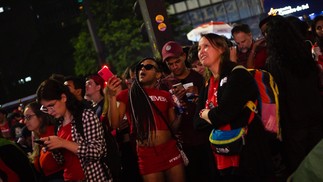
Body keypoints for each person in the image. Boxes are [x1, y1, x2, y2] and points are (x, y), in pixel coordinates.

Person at [196, 33, 275, 181]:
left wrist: (205, 113)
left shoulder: (237, 74)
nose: (201, 51)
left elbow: (222, 115)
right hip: (222, 153)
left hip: (249, 150)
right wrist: (214, 116)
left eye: (206, 46)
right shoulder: (208, 84)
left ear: (221, 49)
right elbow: (197, 123)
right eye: (199, 48)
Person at [107, 57, 185, 182]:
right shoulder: (128, 94)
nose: (142, 69)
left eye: (148, 67)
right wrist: (111, 97)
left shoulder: (166, 95)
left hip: (169, 150)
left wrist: (180, 112)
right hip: (147, 155)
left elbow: (173, 127)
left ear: (158, 74)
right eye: (140, 67)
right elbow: (114, 123)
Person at [265, 15, 323, 178]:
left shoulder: (273, 62)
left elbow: (276, 97)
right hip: (315, 116)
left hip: (293, 123)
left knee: (301, 168)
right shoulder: (306, 54)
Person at [159, 41, 215, 182]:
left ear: (184, 56)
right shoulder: (165, 84)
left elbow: (213, 105)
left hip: (205, 137)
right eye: (170, 64)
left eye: (177, 61)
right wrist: (174, 103)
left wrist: (199, 96)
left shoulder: (199, 77)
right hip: (184, 142)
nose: (174, 66)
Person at [36, 78, 109, 181]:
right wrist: (54, 148)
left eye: (51, 105)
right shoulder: (59, 124)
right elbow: (62, 161)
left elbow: (98, 151)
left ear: (63, 97)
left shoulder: (85, 116)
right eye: (46, 108)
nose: (50, 111)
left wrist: (63, 143)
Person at [24, 101, 64, 181]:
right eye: (25, 118)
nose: (25, 121)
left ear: (41, 117)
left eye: (29, 117)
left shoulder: (55, 133)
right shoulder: (37, 138)